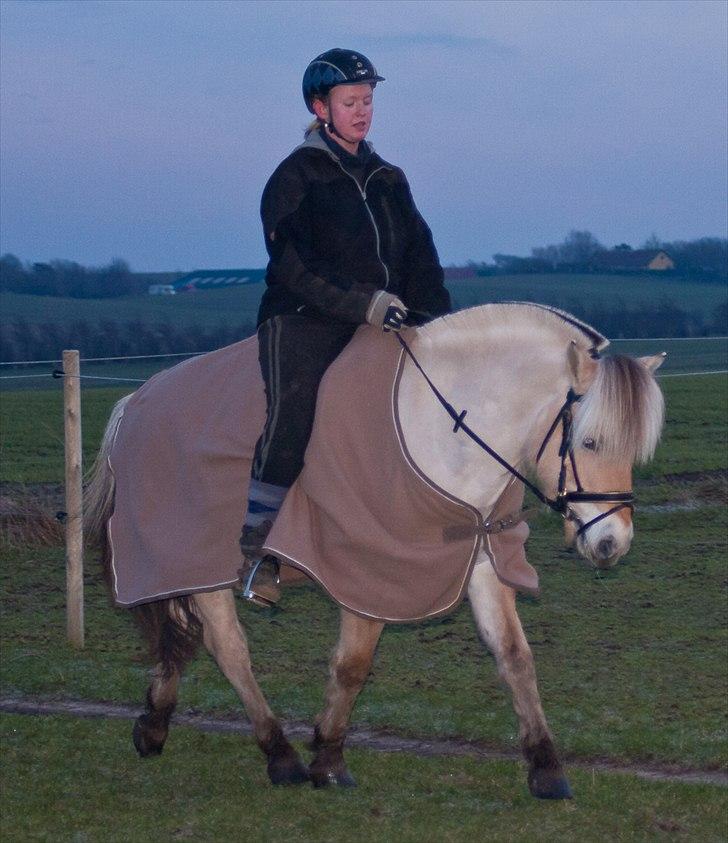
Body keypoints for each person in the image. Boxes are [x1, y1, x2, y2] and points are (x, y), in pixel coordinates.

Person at [239, 47, 451, 606]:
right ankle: (258, 550)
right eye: (350, 101)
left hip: (384, 315)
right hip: (304, 318)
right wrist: (363, 305)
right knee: (294, 411)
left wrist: (440, 323)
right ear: (320, 106)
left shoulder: (389, 178)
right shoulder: (293, 177)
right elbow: (291, 268)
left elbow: (421, 258)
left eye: (368, 100)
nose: (362, 111)